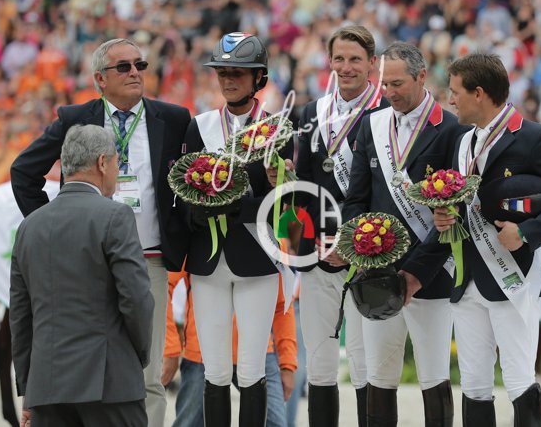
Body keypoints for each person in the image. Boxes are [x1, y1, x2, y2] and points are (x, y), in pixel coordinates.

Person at [10, 38, 191, 427]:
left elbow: (193, 180)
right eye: (123, 67)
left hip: (149, 258)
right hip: (86, 260)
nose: (134, 72)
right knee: (83, 362)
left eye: (140, 65)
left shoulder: (174, 119)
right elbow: (23, 171)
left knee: (149, 375)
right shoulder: (75, 118)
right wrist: (55, 230)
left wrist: (180, 232)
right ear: (100, 79)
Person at [407, 53, 541, 426]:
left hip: (512, 278)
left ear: (479, 93)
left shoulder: (534, 137)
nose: (450, 100)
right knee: (474, 386)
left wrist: (526, 233)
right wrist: (442, 225)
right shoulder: (463, 142)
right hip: (467, 277)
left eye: (456, 92)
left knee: (520, 380)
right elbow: (464, 211)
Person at [343, 42, 465, 427]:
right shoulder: (372, 124)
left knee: (434, 376)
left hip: (431, 271)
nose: (389, 92)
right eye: (385, 84)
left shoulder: (451, 129)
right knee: (380, 376)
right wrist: (362, 251)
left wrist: (416, 273)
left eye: (397, 84)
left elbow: (454, 212)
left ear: (421, 77)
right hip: (378, 272)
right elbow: (356, 199)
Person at [179, 32, 293, 426]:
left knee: (251, 369)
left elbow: (285, 205)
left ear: (258, 77)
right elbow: (183, 191)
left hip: (257, 258)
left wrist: (270, 186)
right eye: (222, 72)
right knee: (214, 370)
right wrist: (196, 211)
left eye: (238, 73)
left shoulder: (277, 128)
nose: (228, 80)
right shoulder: (200, 126)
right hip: (208, 260)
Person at [10, 124, 154, 427]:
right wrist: (139, 355)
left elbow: (20, 316)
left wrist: (28, 389)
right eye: (116, 163)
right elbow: (136, 299)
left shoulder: (29, 226)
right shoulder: (115, 216)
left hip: (46, 386)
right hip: (110, 381)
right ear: (102, 163)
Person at [293, 25, 388, 426]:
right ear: (329, 61)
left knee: (366, 361)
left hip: (369, 253)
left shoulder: (386, 112)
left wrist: (350, 242)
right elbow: (304, 185)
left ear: (371, 63)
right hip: (319, 253)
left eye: (355, 59)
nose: (346, 67)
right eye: (339, 59)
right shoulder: (311, 113)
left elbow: (385, 192)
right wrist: (319, 240)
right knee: (319, 360)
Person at [163, 271, 297, 427]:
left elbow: (282, 301)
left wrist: (287, 363)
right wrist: (170, 349)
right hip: (201, 355)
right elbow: (166, 283)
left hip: (260, 354)